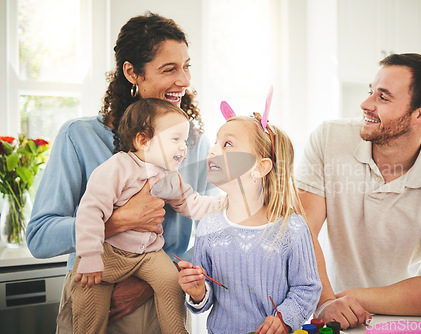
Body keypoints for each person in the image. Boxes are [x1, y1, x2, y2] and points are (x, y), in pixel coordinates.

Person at [27, 12, 214, 333]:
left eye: (187, 66)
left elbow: (215, 230)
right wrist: (120, 221)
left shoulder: (193, 143)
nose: (183, 80)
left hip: (159, 301)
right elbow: (40, 237)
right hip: (93, 290)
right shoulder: (78, 137)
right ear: (132, 72)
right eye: (169, 69)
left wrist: (155, 277)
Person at [296, 53, 421, 329]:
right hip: (327, 314)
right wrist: (326, 300)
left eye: (383, 97)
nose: (365, 104)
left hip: (402, 319)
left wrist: (349, 297)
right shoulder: (328, 139)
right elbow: (301, 232)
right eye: (371, 92)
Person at [71, 98, 220, 334]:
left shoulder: (171, 176)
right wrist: (90, 256)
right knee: (89, 295)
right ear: (143, 140)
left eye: (184, 140)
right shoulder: (118, 167)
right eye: (175, 139)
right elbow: (90, 211)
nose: (183, 147)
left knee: (172, 282)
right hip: (108, 250)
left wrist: (225, 203)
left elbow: (191, 203)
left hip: (149, 253)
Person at [177, 110, 322, 334]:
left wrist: (283, 319)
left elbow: (307, 288)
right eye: (216, 142)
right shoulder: (208, 228)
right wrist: (197, 292)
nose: (213, 150)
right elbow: (206, 297)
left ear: (259, 168)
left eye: (227, 144)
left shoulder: (292, 228)